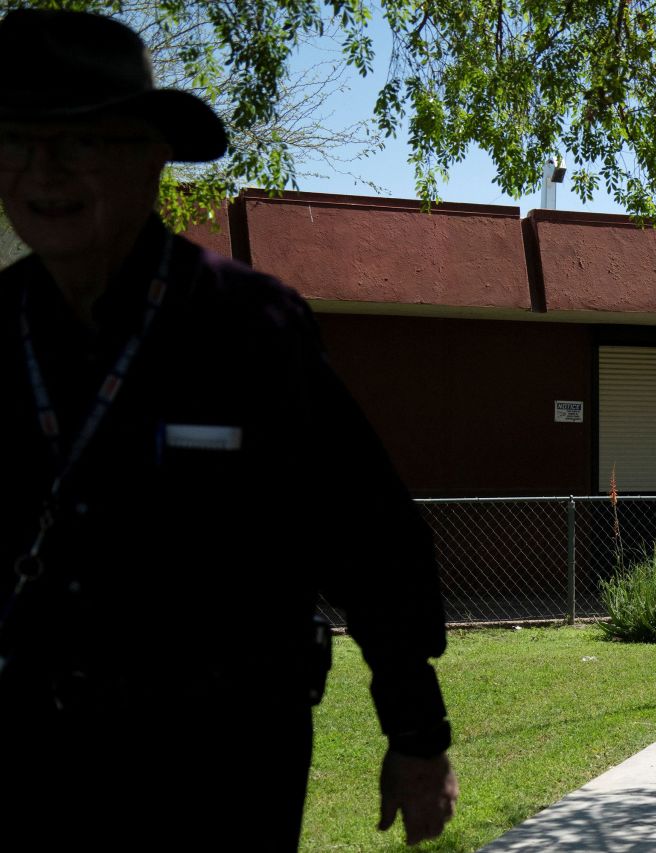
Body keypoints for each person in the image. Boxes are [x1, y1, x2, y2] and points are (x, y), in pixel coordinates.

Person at [0, 9, 457, 850]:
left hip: (220, 772)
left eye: (80, 141)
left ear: (149, 157)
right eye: (18, 140)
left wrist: (418, 736)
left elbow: (370, 538)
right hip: (31, 766)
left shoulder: (251, 327)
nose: (44, 169)